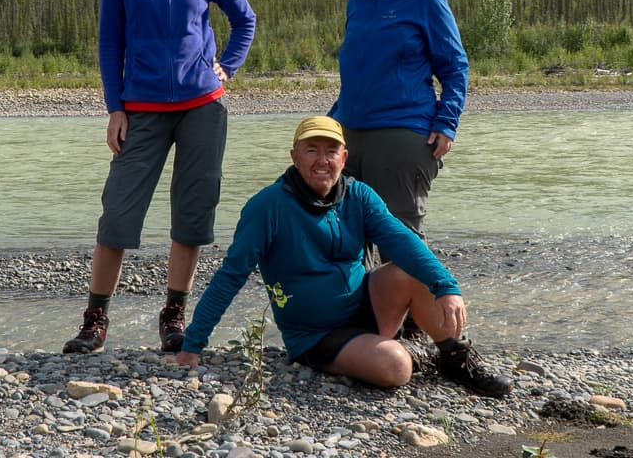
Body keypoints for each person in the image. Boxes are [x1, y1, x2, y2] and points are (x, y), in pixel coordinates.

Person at [174, 116, 511, 398]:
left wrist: (447, 286)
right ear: (295, 156)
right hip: (315, 334)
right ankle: (400, 353)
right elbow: (231, 275)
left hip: (366, 305)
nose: (323, 160)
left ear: (344, 158)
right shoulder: (266, 207)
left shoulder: (360, 196)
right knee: (396, 368)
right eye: (312, 150)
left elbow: (402, 241)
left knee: (414, 271)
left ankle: (457, 360)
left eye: (331, 151)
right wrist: (193, 343)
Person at [63, 0, 256, 354]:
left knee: (191, 216)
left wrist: (227, 67)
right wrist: (115, 107)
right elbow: (110, 41)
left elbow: (244, 19)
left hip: (203, 108)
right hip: (141, 108)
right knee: (118, 216)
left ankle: (174, 314)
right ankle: (95, 318)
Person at [328, 0, 469, 240]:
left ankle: (416, 294)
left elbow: (455, 66)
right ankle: (362, 295)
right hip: (349, 132)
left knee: (397, 241)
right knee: (343, 237)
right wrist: (331, 121)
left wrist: (446, 123)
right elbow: (358, 73)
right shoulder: (357, 3)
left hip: (403, 133)